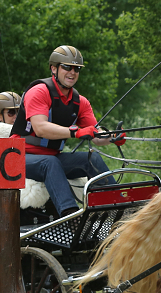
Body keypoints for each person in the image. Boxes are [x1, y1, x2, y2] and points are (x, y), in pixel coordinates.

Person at [10, 45, 124, 217]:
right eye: (67, 67)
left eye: (77, 68)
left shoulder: (80, 102)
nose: (72, 72)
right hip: (18, 158)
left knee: (92, 158)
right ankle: (71, 217)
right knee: (51, 163)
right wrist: (75, 132)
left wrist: (113, 138)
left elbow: (96, 135)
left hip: (50, 158)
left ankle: (120, 208)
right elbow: (40, 128)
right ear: (54, 68)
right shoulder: (39, 91)